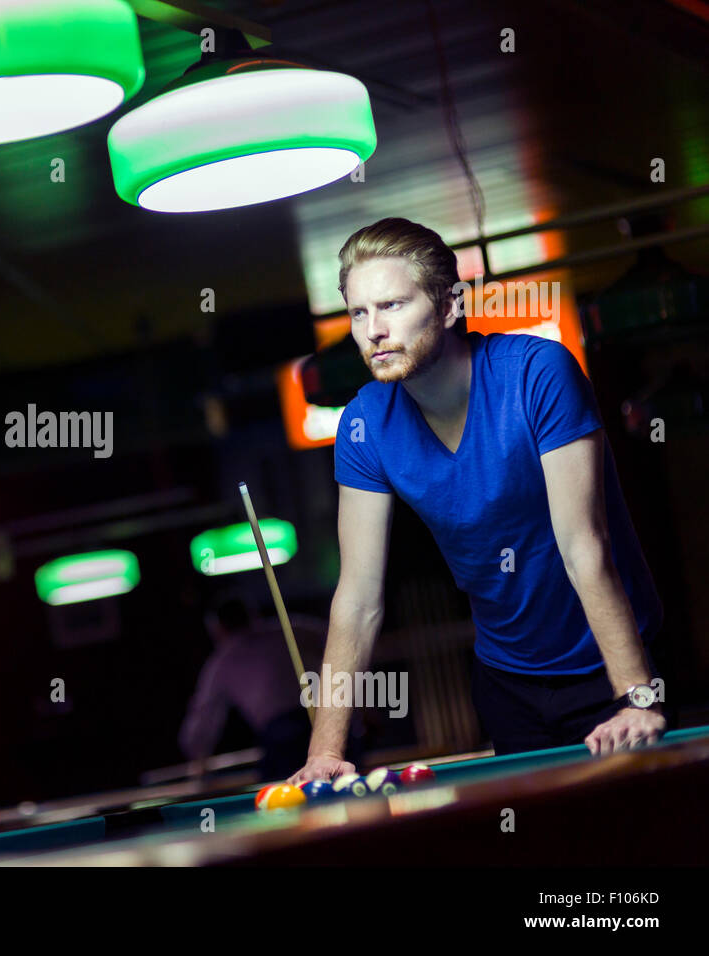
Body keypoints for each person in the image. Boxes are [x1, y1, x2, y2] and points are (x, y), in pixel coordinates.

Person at [289, 218, 669, 786]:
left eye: (391, 305)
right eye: (359, 312)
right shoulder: (364, 422)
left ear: (449, 306)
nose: (372, 330)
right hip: (506, 682)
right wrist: (325, 751)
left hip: (615, 665)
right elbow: (358, 597)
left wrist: (637, 698)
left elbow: (584, 547)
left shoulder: (539, 374)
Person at [180, 597, 359, 782]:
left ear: (218, 630)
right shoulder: (295, 628)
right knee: (346, 786)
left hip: (294, 734)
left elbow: (202, 721)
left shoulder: (221, 661)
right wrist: (364, 712)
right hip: (327, 722)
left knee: (288, 802)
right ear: (253, 614)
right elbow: (350, 647)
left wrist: (197, 759)